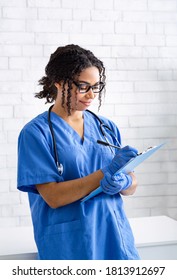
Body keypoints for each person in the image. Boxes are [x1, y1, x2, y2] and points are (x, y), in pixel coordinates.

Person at [17, 44, 140, 260]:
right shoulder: (36, 133)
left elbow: (131, 183)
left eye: (96, 86)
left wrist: (125, 183)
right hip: (69, 243)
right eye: (83, 86)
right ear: (59, 83)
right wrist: (104, 175)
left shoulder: (106, 127)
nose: (91, 94)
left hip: (114, 233)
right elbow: (53, 197)